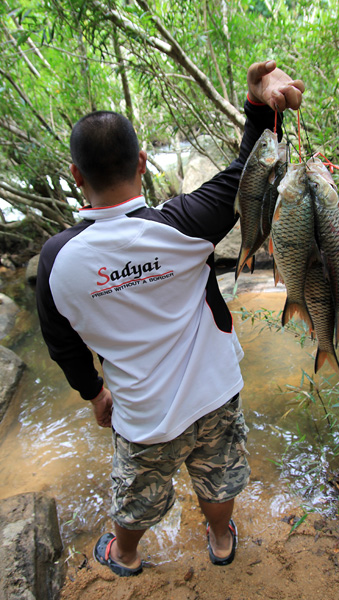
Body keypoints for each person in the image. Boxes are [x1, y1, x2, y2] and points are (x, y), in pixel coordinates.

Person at [36, 60, 304, 577]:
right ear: (142, 162)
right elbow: (246, 175)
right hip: (215, 392)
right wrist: (256, 106)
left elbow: (61, 344)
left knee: (136, 494)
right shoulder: (184, 225)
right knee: (218, 478)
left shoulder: (56, 261)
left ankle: (126, 555)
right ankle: (222, 540)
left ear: (75, 176)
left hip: (142, 416)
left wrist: (95, 393)